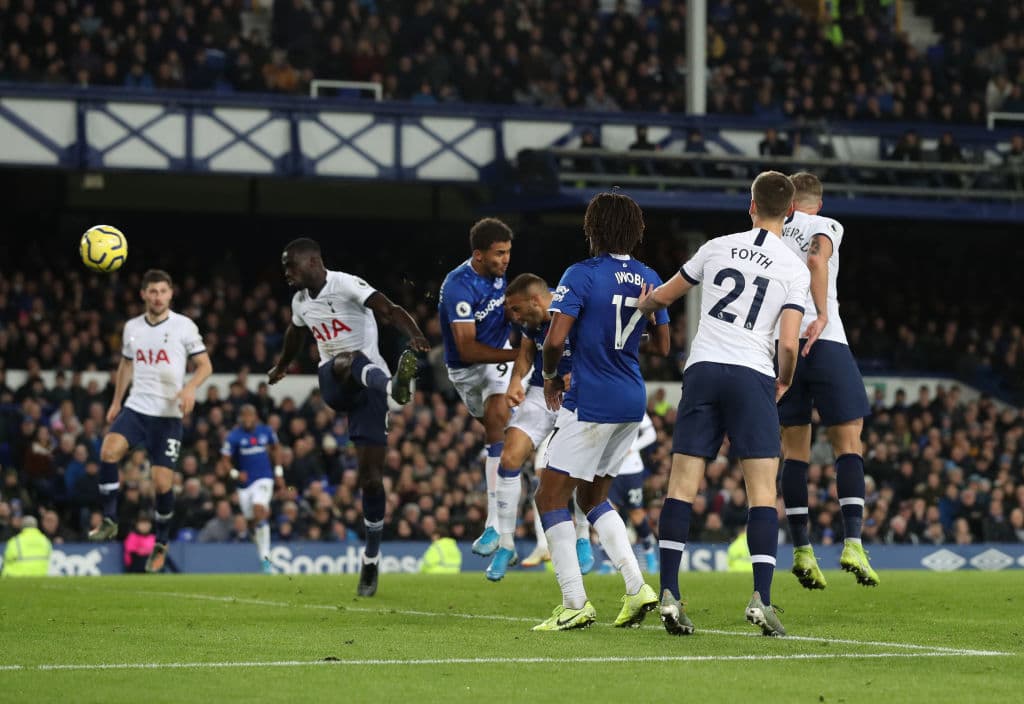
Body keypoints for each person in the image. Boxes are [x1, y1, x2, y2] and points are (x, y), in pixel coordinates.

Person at [639, 171, 809, 637]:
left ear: (750, 205)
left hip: (704, 369)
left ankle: (670, 593)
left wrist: (643, 307)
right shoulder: (792, 267)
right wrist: (784, 381)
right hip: (753, 373)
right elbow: (789, 345)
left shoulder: (716, 246)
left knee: (681, 486)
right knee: (762, 492)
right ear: (789, 212)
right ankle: (761, 598)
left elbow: (665, 296)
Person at [532, 191, 670, 631]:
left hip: (590, 398)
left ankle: (574, 602)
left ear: (592, 229)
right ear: (636, 231)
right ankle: (636, 588)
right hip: (632, 399)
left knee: (548, 497)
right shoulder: (650, 275)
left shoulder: (582, 274)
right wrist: (647, 316)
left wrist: (550, 375)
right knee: (592, 496)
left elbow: (554, 341)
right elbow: (665, 347)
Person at [268, 238, 429, 597]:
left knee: (371, 480)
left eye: (290, 266)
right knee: (347, 357)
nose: (287, 274)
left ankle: (370, 561)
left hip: (367, 391)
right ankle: (394, 388)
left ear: (312, 261)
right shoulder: (300, 302)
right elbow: (295, 334)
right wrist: (281, 367)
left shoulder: (345, 284)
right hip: (335, 381)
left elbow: (388, 309)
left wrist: (415, 334)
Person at [778, 173, 878, 590]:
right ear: (817, 203)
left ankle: (802, 549)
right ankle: (853, 541)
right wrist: (820, 312)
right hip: (825, 340)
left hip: (781, 343)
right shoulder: (825, 225)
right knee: (847, 438)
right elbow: (817, 259)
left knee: (794, 450)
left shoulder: (771, 231)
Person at [89, 269, 213, 574]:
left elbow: (205, 366)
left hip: (168, 415)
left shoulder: (184, 326)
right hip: (137, 407)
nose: (157, 297)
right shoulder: (132, 327)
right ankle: (109, 519)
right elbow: (126, 365)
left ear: (171, 294)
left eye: (162, 291)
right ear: (143, 294)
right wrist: (117, 401)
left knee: (161, 485)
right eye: (152, 292)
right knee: (108, 451)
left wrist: (189, 388)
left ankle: (161, 542)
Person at [488, 273, 592, 581]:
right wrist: (516, 380)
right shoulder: (528, 321)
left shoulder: (575, 308)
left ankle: (583, 537)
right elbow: (526, 352)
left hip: (578, 392)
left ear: (536, 300)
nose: (515, 317)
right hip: (540, 391)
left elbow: (601, 345)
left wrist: (583, 374)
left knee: (577, 466)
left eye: (518, 310)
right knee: (509, 458)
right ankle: (506, 544)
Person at [438, 219, 517, 557]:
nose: (505, 260)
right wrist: (518, 353)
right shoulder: (458, 286)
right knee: (493, 426)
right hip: (466, 371)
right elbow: (467, 349)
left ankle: (494, 526)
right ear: (479, 255)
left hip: (498, 364)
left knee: (498, 420)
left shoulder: (499, 275)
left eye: (508, 252)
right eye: (499, 254)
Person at [219, 404, 279, 574]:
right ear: (241, 418)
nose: (247, 419)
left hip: (264, 478)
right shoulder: (234, 436)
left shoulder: (266, 431)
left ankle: (266, 560)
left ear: (255, 417)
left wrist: (279, 470)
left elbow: (276, 448)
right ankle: (262, 555)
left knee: (259, 509)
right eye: (244, 416)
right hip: (245, 484)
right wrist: (234, 474)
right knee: (252, 521)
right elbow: (225, 458)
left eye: (250, 416)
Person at [607, 412, 659, 573]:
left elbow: (651, 434)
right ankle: (608, 562)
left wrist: (631, 448)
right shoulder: (601, 401)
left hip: (631, 469)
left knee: (636, 515)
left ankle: (649, 553)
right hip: (607, 468)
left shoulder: (634, 402)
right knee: (607, 514)